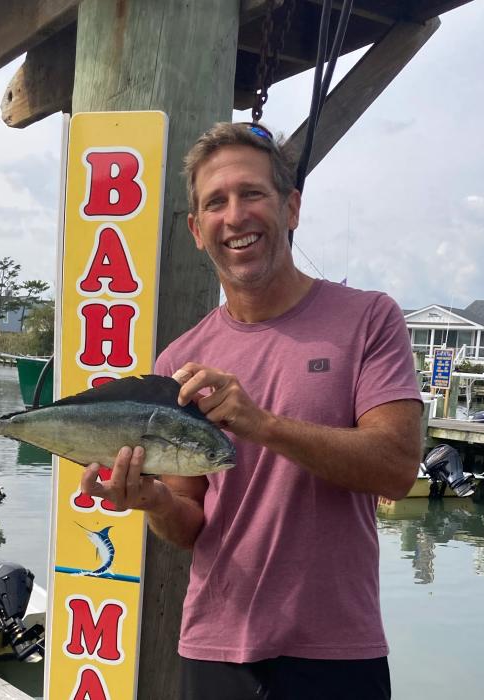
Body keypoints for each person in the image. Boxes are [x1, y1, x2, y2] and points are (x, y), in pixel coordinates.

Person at [80, 121, 423, 699]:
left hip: (337, 652)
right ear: (196, 229)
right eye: (215, 202)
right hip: (216, 649)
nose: (234, 216)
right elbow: (189, 522)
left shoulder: (368, 319)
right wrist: (150, 500)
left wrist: (260, 424)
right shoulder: (181, 358)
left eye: (252, 194)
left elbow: (396, 467)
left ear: (290, 208)